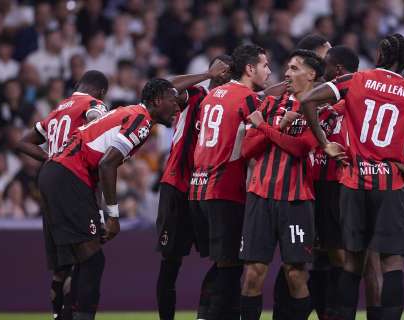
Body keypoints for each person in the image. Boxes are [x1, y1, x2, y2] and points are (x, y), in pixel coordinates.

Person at [301, 34, 404, 320]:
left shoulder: (355, 80)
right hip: (389, 184)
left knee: (352, 262)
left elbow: (308, 99)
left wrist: (324, 143)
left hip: (353, 184)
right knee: (391, 262)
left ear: (380, 55)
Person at [37, 78, 179, 320]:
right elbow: (106, 165)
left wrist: (100, 213)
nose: (177, 108)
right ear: (156, 101)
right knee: (93, 260)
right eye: (172, 102)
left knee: (81, 261)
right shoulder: (142, 120)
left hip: (57, 173)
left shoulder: (127, 112)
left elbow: (98, 160)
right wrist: (113, 216)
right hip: (69, 177)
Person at [239, 49, 326, 320]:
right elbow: (247, 149)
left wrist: (266, 129)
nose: (286, 73)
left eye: (294, 69)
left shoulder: (319, 109)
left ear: (311, 74)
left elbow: (301, 148)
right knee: (253, 273)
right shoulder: (271, 104)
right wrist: (277, 129)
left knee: (296, 274)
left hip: (296, 199)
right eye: (287, 68)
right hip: (260, 196)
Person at [16, 70, 109, 320]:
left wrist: (51, 157)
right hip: (73, 182)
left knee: (63, 266)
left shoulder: (58, 110)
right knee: (90, 258)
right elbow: (96, 118)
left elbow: (23, 142)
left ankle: (58, 316)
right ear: (101, 92)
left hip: (49, 180)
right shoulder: (93, 103)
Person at [188, 44, 270, 320]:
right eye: (265, 65)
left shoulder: (212, 96)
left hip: (198, 188)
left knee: (224, 264)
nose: (269, 71)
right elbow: (259, 140)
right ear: (250, 68)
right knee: (230, 266)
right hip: (225, 189)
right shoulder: (248, 98)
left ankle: (204, 314)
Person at [155, 56, 231, 320]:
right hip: (177, 186)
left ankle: (203, 315)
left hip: (209, 190)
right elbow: (168, 87)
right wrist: (206, 74)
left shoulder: (234, 102)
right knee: (171, 263)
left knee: (226, 258)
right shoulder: (197, 94)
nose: (222, 74)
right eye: (218, 69)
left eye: (226, 71)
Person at [309, 45, 359, 319]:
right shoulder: (321, 94)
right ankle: (325, 312)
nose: (321, 69)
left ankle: (341, 313)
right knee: (318, 254)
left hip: (338, 184)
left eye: (325, 63)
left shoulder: (352, 94)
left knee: (339, 254)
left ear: (338, 69)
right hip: (313, 182)